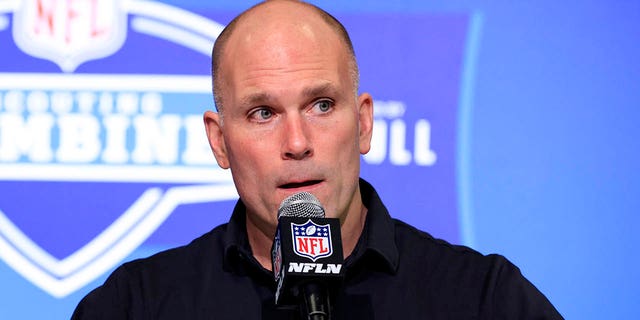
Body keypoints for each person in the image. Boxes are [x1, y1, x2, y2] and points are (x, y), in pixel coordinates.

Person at [72, 0, 563, 319]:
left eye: (321, 105)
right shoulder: (134, 307)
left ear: (364, 122)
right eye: (263, 112)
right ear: (219, 142)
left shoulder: (484, 300)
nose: (298, 141)